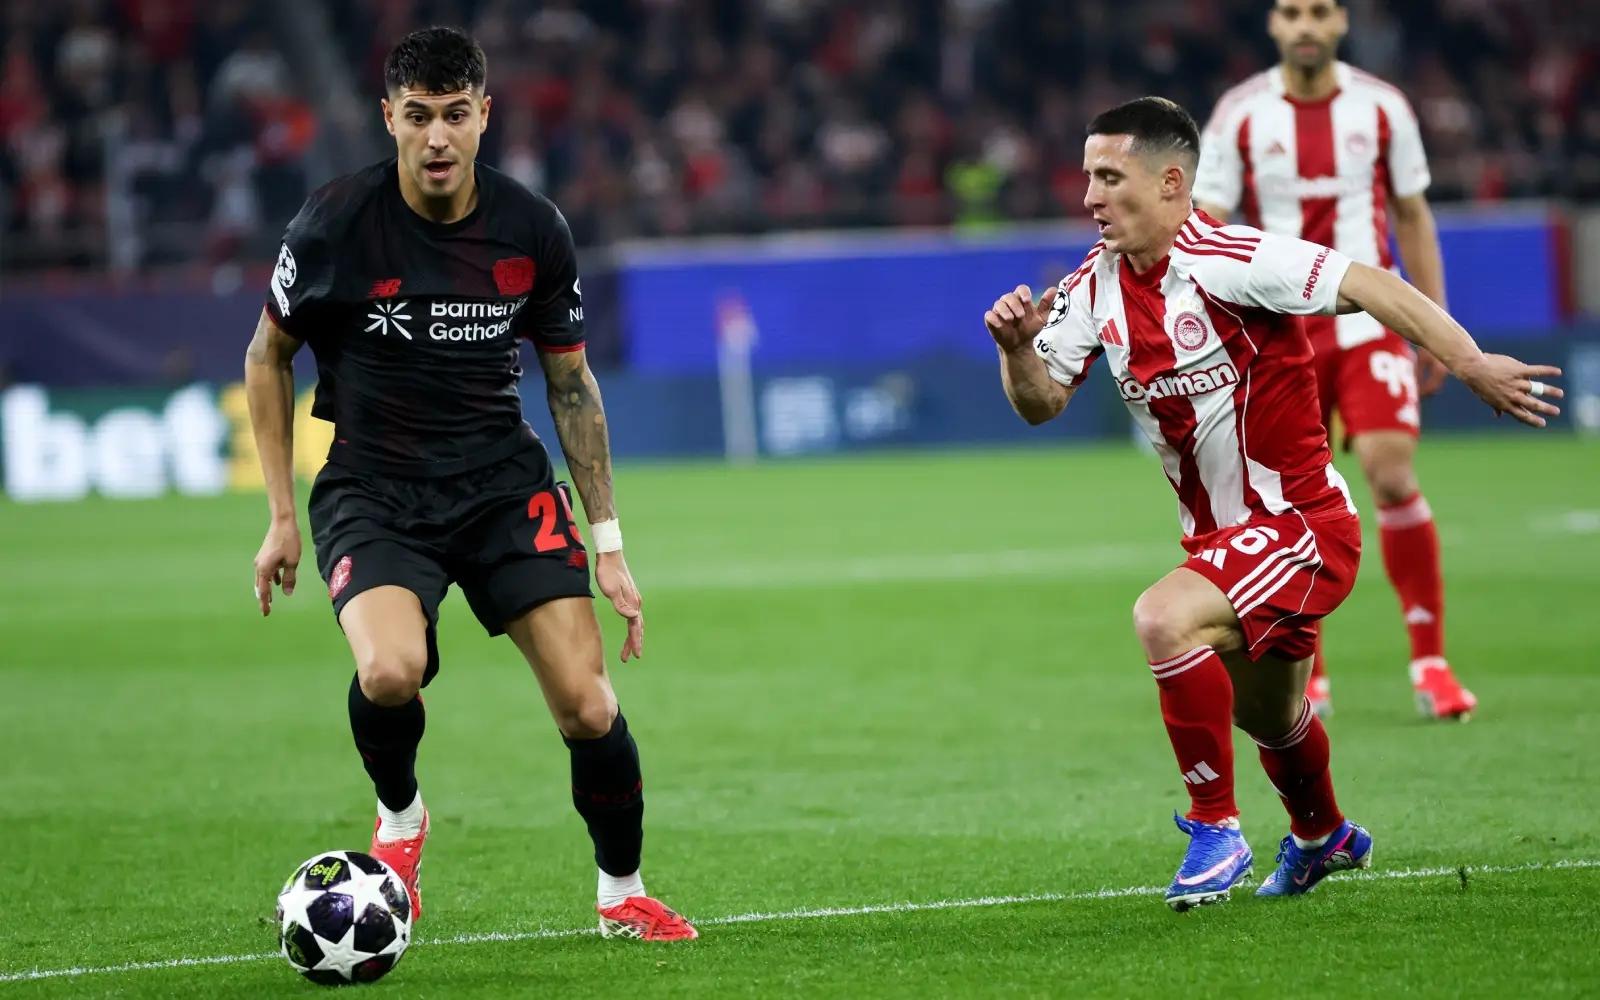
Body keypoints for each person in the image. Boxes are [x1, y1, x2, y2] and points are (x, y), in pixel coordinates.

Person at [985, 96, 1561, 908]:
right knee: (1272, 719)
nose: (1090, 197)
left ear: (1171, 182)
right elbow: (1042, 402)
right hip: (1221, 545)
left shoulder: (1233, 258)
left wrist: (1468, 364)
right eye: (1088, 178)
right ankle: (1324, 836)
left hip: (1302, 528)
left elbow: (1371, 283)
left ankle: (1215, 829)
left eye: (1110, 178)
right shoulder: (1091, 287)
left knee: (1162, 619)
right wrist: (1017, 351)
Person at [245, 26, 696, 941]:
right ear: (389, 119)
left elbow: (571, 385)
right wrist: (281, 518)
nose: (438, 137)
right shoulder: (335, 223)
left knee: (588, 704)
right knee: (389, 671)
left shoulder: (533, 228)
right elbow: (267, 356)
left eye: (456, 115)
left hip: (501, 488)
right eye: (418, 117)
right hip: (375, 489)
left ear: (485, 115)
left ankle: (622, 894)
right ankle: (401, 816)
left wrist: (609, 545)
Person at [1193, 0, 1468, 720]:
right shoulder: (1239, 114)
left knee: (1390, 470)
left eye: (1319, 11)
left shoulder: (1382, 108)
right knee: (1287, 501)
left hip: (1370, 320)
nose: (1306, 26)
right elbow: (1207, 223)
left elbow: (1412, 214)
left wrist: (1435, 327)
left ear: (1342, 22)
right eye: (1292, 13)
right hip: (1280, 333)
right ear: (1274, 26)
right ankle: (1308, 674)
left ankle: (1431, 664)